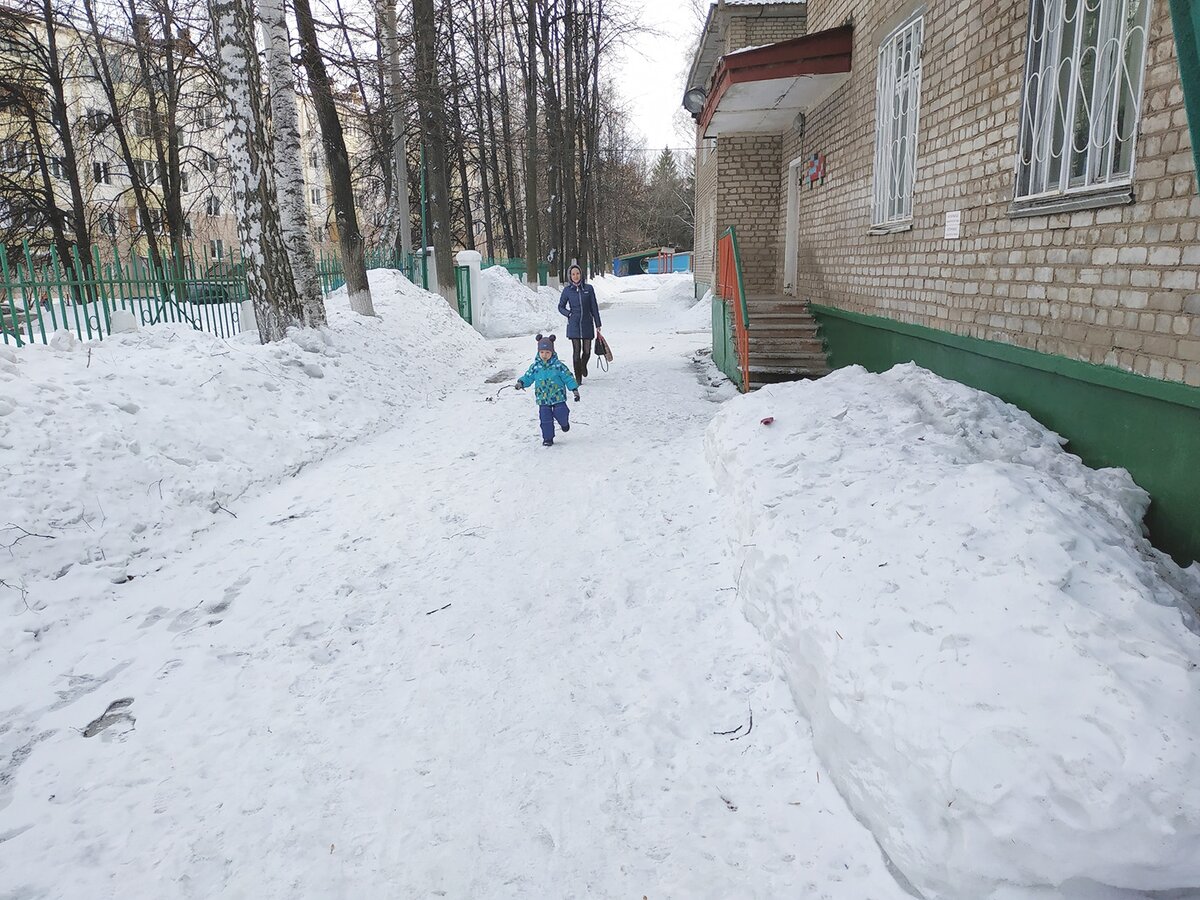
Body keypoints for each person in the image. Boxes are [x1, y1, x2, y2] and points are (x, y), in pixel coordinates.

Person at [515, 333, 580, 447]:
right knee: (545, 420)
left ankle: (564, 423)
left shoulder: (558, 366)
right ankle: (548, 438)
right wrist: (521, 382)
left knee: (561, 412)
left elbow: (568, 377)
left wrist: (574, 389)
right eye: (542, 352)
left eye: (547, 352)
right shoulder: (535, 367)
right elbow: (528, 377)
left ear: (552, 352)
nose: (544, 355)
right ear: (538, 352)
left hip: (558, 396)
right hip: (543, 398)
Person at [558, 263, 602, 383]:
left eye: (577, 273)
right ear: (570, 276)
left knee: (587, 351)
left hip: (587, 323)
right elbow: (560, 307)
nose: (575, 276)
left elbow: (594, 307)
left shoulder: (589, 289)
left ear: (581, 274)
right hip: (574, 324)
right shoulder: (567, 291)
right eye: (573, 274)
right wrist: (569, 314)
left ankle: (583, 365)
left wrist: (598, 324)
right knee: (576, 352)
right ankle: (578, 378)